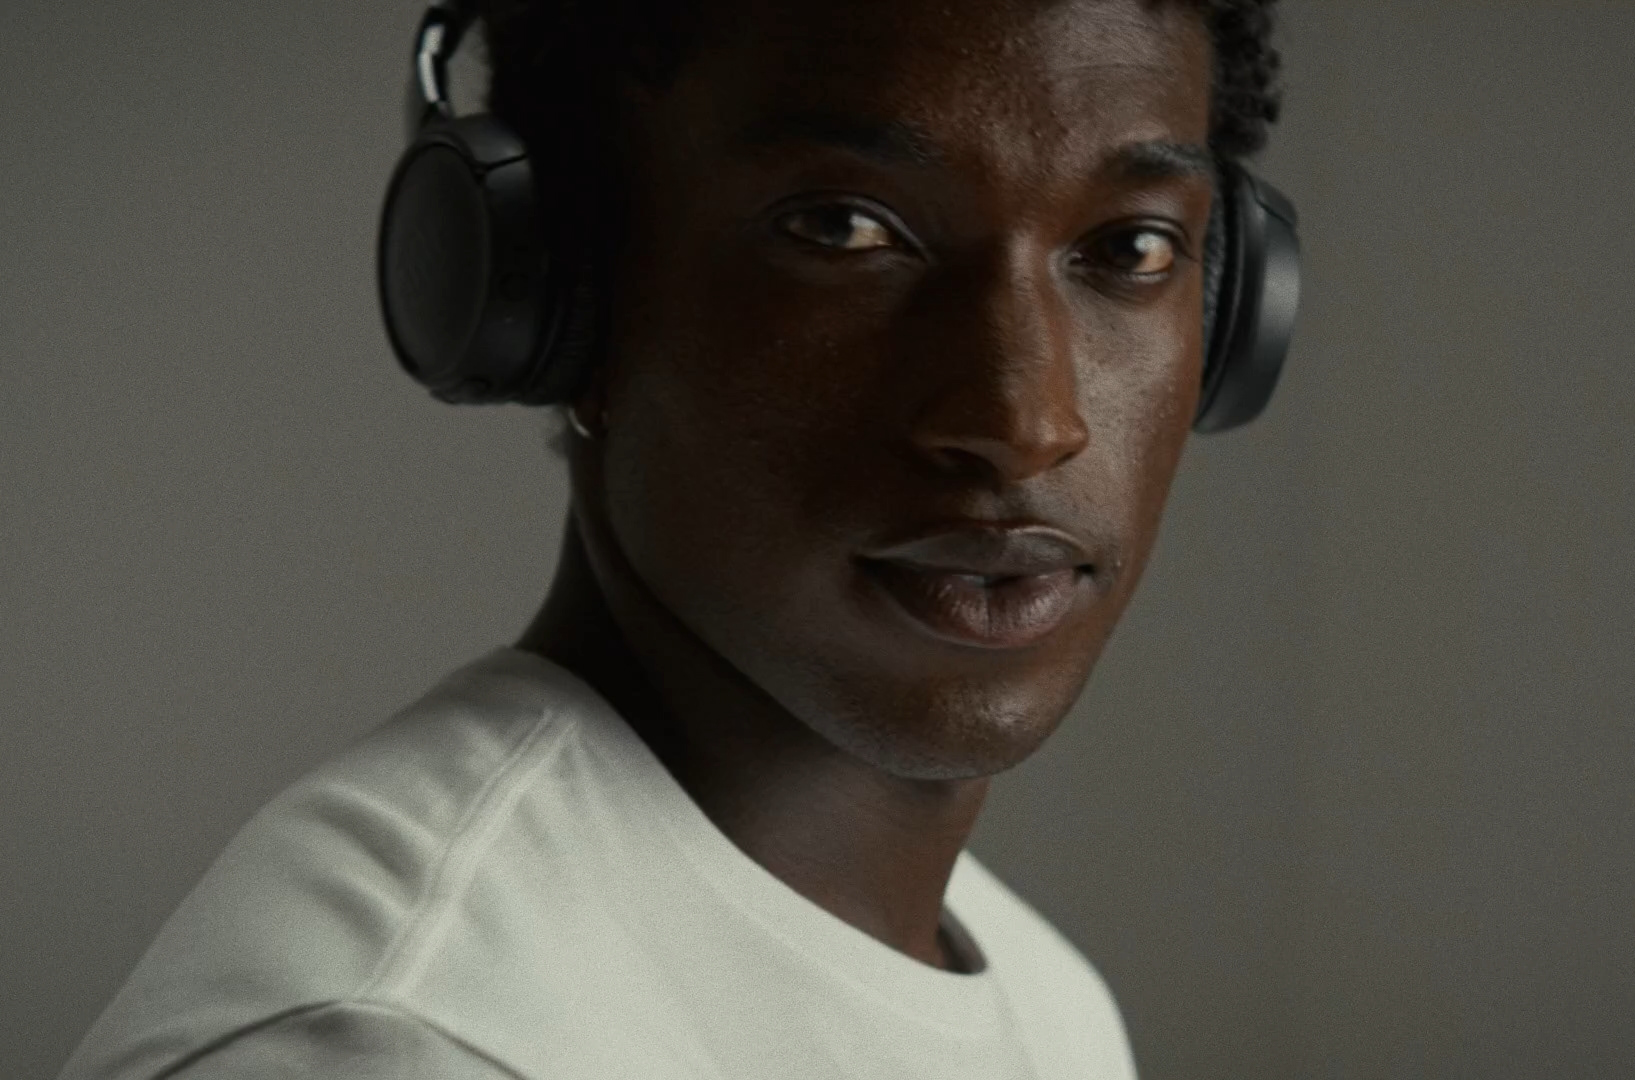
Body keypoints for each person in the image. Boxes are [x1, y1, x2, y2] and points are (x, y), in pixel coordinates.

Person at [59, 0, 1286, 1075]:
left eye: (1130, 248)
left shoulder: (1050, 1003)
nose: (1025, 424)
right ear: (564, 294)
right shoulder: (406, 1042)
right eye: (845, 230)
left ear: (1229, 315)